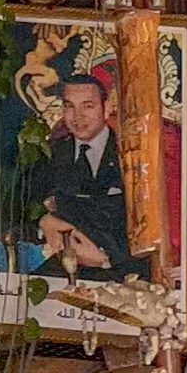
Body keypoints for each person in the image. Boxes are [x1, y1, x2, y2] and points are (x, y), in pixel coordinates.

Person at [28, 73, 144, 281]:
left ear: (107, 108)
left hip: (123, 272)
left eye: (87, 106)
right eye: (69, 106)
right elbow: (21, 212)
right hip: (63, 268)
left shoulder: (133, 155)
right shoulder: (50, 155)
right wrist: (43, 222)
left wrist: (105, 259)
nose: (77, 116)